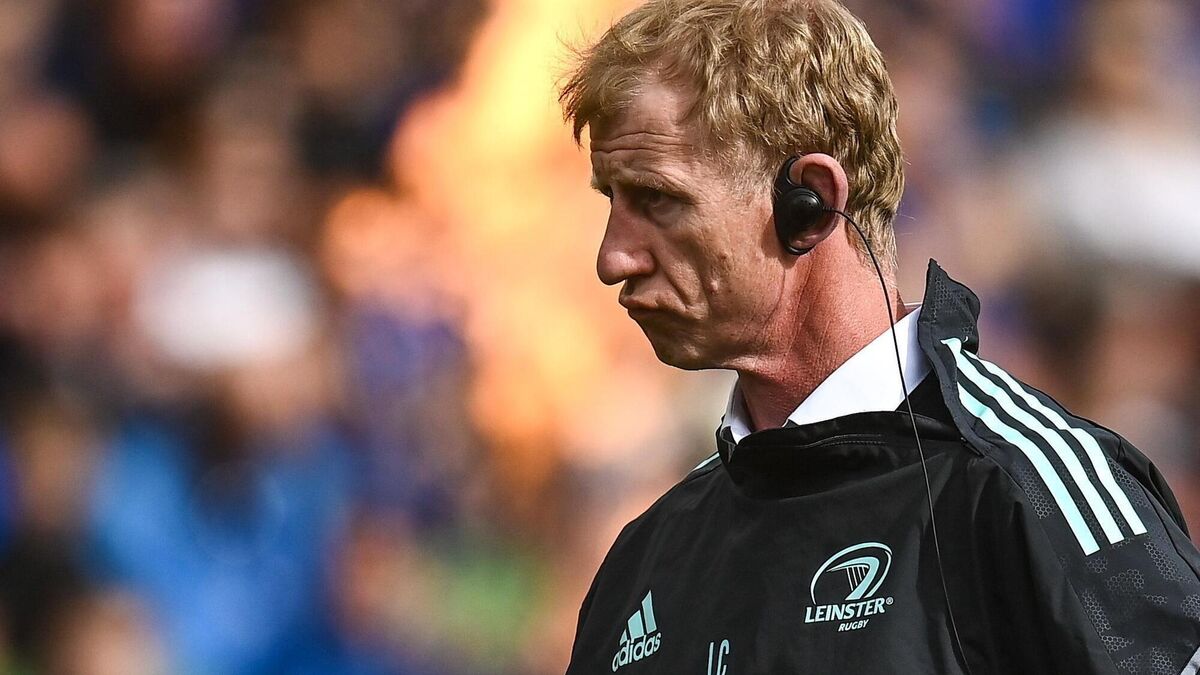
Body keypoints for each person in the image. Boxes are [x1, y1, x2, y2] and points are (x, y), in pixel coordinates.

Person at [557, 1, 1200, 673]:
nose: (613, 258)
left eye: (657, 199)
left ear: (808, 204)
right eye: (612, 201)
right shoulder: (646, 557)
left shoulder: (1026, 488)